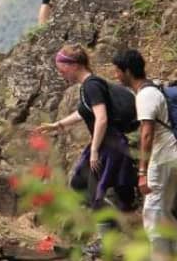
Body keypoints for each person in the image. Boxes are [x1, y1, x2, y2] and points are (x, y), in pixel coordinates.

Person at [36, 44, 136, 241]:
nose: (61, 73)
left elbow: (102, 118)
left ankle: (107, 237)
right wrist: (57, 125)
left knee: (94, 190)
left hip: (109, 145)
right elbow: (84, 112)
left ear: (73, 65)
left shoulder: (91, 85)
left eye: (61, 68)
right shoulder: (89, 85)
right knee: (79, 183)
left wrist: (95, 151)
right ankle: (93, 228)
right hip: (105, 144)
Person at [112, 49, 177, 259]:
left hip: (163, 158)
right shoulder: (154, 89)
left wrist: (142, 172)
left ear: (127, 71)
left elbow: (146, 134)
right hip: (176, 155)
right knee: (162, 210)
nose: (116, 76)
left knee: (151, 213)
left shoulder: (145, 95)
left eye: (117, 71)